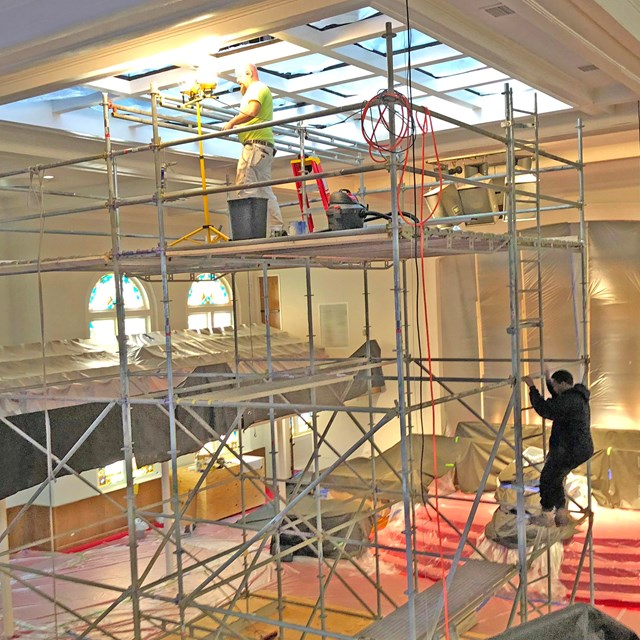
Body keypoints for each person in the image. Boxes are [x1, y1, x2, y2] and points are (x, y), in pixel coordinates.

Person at [522, 369, 593, 527]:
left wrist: (532, 388)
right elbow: (558, 400)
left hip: (570, 449)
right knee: (556, 477)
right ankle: (561, 513)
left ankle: (546, 514)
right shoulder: (576, 397)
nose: (553, 388)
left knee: (547, 478)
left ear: (562, 383)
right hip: (579, 449)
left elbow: (545, 409)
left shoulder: (570, 401)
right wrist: (548, 381)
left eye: (554, 385)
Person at [222, 63, 285, 237]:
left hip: (255, 147)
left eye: (239, 77)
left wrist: (231, 123)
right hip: (264, 147)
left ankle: (248, 234)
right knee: (265, 191)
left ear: (249, 73)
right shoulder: (259, 90)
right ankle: (276, 229)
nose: (238, 81)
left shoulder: (257, 88)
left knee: (245, 186)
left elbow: (252, 110)